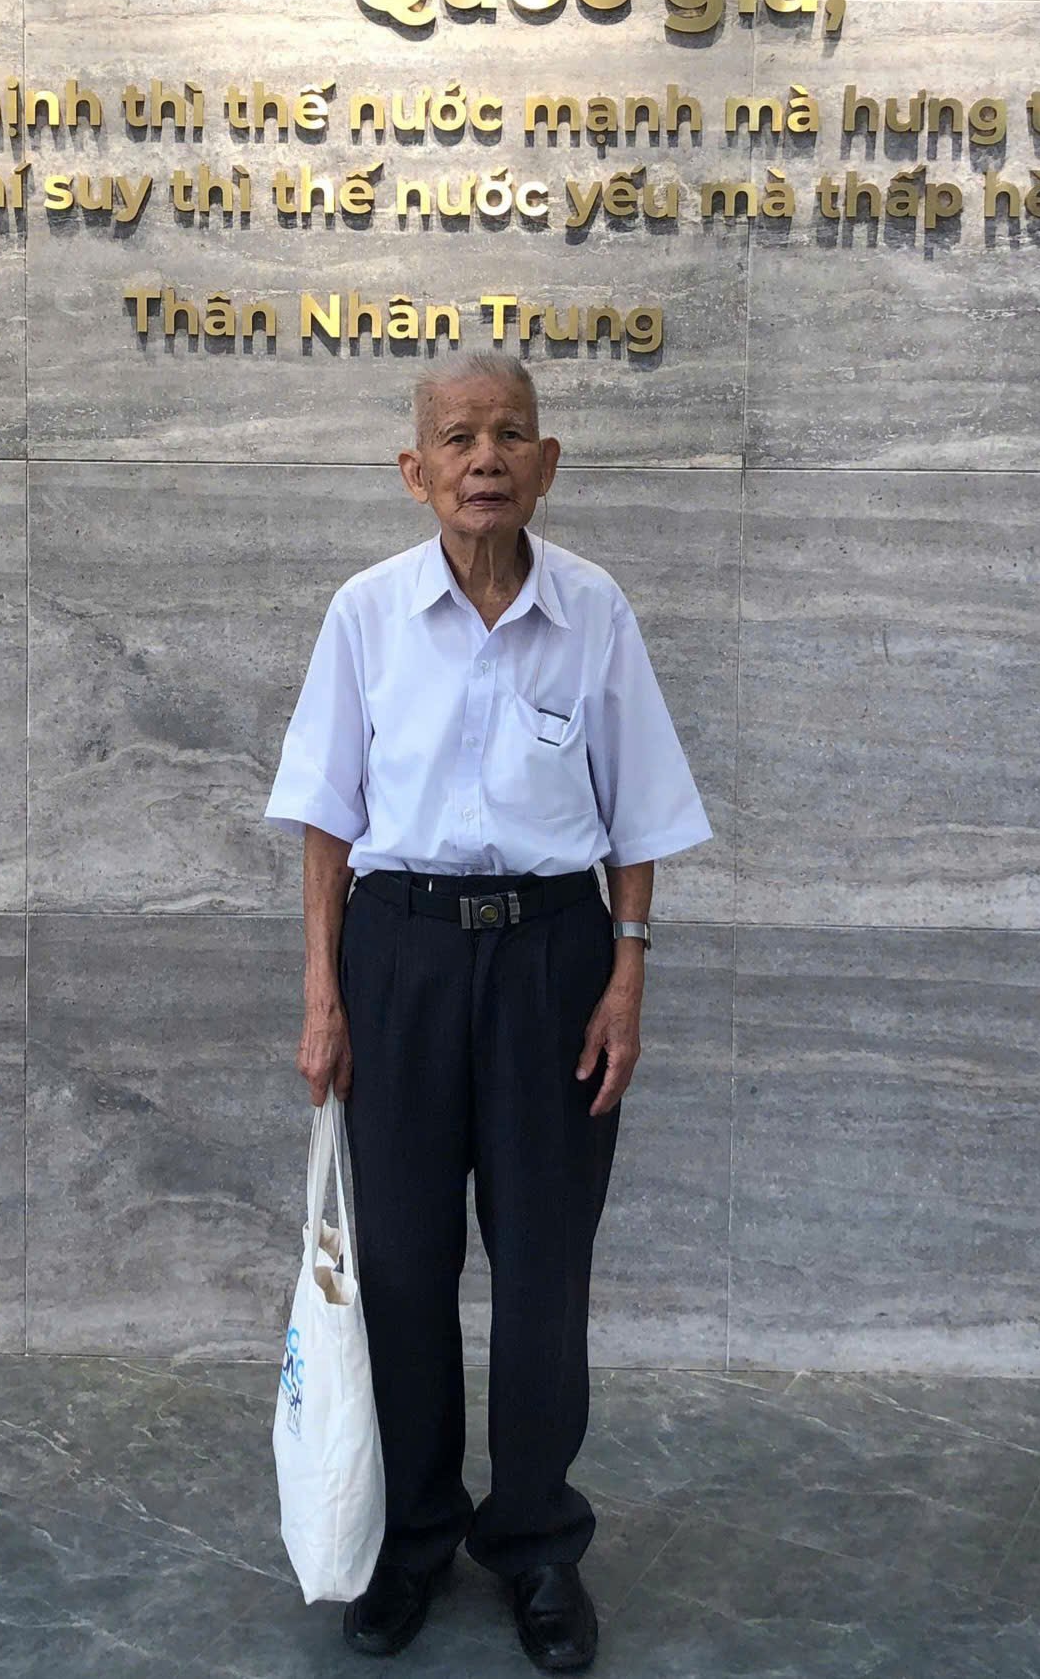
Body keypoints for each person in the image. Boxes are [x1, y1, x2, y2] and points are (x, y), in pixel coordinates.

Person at [263, 355, 711, 1673]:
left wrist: (626, 970)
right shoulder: (363, 615)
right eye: (456, 437)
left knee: (541, 1275)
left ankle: (535, 1548)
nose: (484, 457)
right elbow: (328, 821)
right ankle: (408, 1543)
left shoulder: (595, 612)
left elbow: (639, 814)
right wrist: (321, 991)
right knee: (399, 1271)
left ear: (547, 459)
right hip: (396, 961)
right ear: (414, 470)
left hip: (551, 964)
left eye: (509, 433)